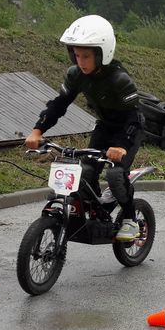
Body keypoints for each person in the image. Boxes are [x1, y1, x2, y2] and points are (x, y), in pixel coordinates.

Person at [25, 15, 143, 242]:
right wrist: (38, 130)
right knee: (86, 172)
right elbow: (59, 104)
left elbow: (133, 117)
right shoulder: (76, 75)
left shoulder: (119, 79)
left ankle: (130, 219)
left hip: (128, 131)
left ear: (102, 53)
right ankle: (98, 211)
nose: (81, 61)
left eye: (86, 56)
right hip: (104, 127)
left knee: (115, 174)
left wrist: (121, 146)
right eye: (77, 55)